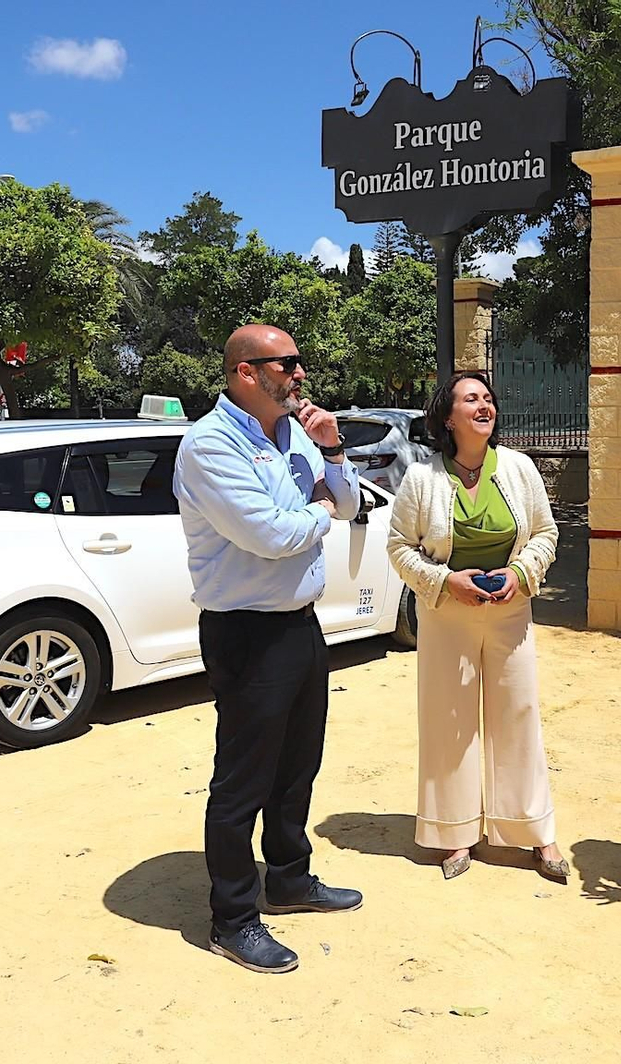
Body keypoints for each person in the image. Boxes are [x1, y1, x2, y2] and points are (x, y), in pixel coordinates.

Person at [172, 323, 364, 975]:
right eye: (289, 364)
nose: (301, 374)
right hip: (246, 632)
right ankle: (232, 919)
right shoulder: (210, 444)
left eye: (300, 362)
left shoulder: (297, 436)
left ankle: (288, 879)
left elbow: (349, 502)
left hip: (299, 625)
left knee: (296, 768)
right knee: (242, 782)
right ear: (246, 372)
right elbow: (270, 535)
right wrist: (319, 515)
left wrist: (333, 455)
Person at [386, 371, 565, 881]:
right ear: (449, 417)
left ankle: (534, 833)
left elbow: (546, 534)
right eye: (471, 399)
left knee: (519, 716)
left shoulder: (519, 468)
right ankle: (453, 833)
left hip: (510, 612)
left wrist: (520, 572)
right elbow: (399, 548)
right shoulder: (421, 479)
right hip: (447, 616)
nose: (484, 405)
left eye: (488, 398)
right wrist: (445, 581)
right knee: (450, 723)